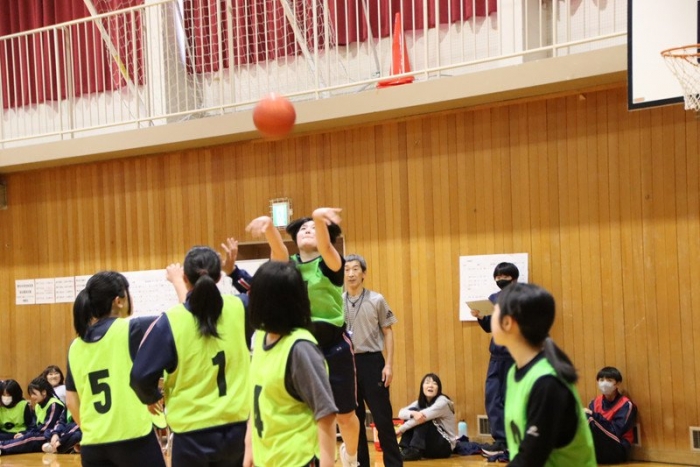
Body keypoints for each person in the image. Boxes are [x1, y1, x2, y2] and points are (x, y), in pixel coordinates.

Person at [246, 207, 360, 467]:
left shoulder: (329, 263)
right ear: (295, 238)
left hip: (334, 346)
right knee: (310, 412)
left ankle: (351, 458)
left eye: (314, 229)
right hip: (302, 347)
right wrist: (269, 227)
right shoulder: (290, 267)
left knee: (345, 416)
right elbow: (279, 253)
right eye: (303, 229)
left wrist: (318, 218)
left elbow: (326, 247)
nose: (308, 230)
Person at [131, 246, 250, 467]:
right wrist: (234, 271)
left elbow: (139, 376)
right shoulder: (241, 307)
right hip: (237, 431)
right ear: (219, 276)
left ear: (185, 278)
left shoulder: (170, 321)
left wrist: (152, 397)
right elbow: (264, 291)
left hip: (191, 436)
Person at [66, 271, 166, 467]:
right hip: (133, 440)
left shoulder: (75, 346)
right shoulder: (133, 328)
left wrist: (94, 430)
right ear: (119, 301)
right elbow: (181, 320)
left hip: (93, 445)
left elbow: (71, 401)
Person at [244, 260, 337, 467]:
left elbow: (326, 413)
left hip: (297, 460)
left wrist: (327, 463)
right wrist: (249, 446)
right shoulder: (262, 337)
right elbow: (258, 399)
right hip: (267, 458)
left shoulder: (301, 348)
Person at [492, 283, 596, 466]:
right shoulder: (514, 373)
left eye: (494, 310)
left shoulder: (547, 383)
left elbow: (530, 459)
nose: (491, 316)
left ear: (507, 323)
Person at [343, 254, 402, 467]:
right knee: (354, 419)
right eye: (347, 269)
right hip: (347, 364)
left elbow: (388, 331)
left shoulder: (376, 299)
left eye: (355, 269)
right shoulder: (337, 302)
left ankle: (394, 463)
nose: (351, 273)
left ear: (364, 274)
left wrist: (389, 365)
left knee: (383, 418)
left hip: (372, 362)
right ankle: (360, 463)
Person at [469, 262, 519, 456]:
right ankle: (500, 439)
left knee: (511, 398)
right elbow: (489, 326)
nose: (500, 280)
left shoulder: (523, 297)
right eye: (497, 277)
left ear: (514, 278)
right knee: (493, 397)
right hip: (496, 355)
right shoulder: (493, 298)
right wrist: (481, 317)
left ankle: (514, 439)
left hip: (514, 355)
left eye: (504, 276)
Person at [396, 373, 457, 461]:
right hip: (429, 447)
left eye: (434, 383)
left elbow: (423, 417)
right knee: (413, 412)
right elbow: (401, 413)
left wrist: (401, 429)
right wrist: (412, 413)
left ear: (439, 388)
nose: (430, 385)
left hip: (445, 447)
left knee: (422, 417)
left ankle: (415, 450)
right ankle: (405, 449)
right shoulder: (421, 402)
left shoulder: (442, 402)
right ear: (422, 387)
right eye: (427, 382)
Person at [585, 366, 637, 464]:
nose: (604, 383)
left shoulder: (626, 405)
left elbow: (615, 432)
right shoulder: (595, 402)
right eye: (601, 380)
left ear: (617, 383)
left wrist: (594, 416)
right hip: (598, 449)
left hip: (618, 449)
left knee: (588, 418)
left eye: (609, 380)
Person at [0, 377, 64, 455]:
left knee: (30, 438)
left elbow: (47, 427)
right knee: (27, 437)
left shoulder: (54, 404)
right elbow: (35, 426)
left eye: (34, 394)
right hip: (40, 434)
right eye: (31, 394)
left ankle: (2, 447)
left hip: (50, 435)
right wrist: (24, 433)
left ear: (44, 392)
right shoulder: (38, 406)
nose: (32, 397)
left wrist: (28, 434)